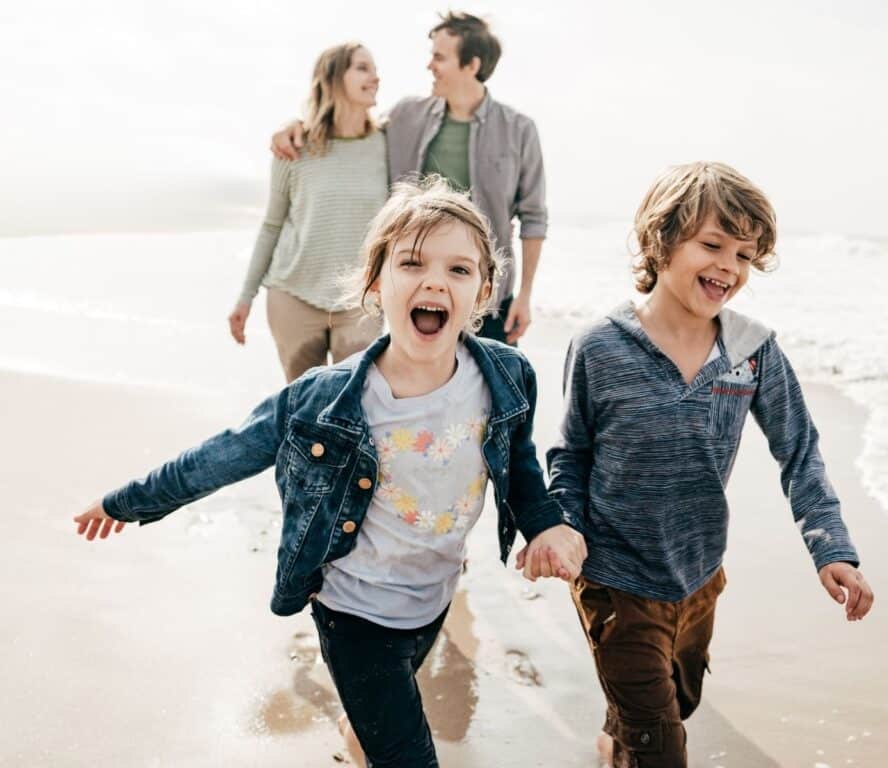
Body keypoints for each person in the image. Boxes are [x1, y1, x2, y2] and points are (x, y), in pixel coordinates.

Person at [74, 179, 586, 768]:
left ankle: (360, 728)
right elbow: (226, 453)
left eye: (460, 269)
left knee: (381, 714)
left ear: (484, 292)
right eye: (411, 262)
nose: (435, 281)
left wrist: (545, 525)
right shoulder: (325, 400)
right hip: (353, 611)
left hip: (433, 597)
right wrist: (129, 501)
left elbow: (521, 469)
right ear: (375, 284)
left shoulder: (505, 377)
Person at [537, 162, 875, 768]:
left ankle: (618, 737)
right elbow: (572, 452)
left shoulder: (750, 353)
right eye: (712, 244)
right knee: (662, 747)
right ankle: (633, 738)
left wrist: (833, 549)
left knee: (676, 704)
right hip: (615, 580)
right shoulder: (601, 346)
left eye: (744, 254)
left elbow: (798, 451)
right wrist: (562, 528)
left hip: (699, 577)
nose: (729, 266)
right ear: (660, 242)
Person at [272, 12, 547, 346]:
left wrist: (525, 295)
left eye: (439, 57)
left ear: (471, 65)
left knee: (497, 394)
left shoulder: (519, 130)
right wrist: (298, 123)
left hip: (487, 300)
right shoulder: (406, 116)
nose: (429, 65)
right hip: (414, 297)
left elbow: (533, 218)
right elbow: (350, 127)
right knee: (416, 392)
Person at [230, 42, 389, 382]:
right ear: (333, 77)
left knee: (354, 406)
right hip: (294, 296)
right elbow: (272, 225)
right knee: (303, 411)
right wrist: (246, 297)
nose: (375, 77)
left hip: (360, 301)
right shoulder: (294, 147)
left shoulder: (387, 145)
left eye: (375, 69)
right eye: (362, 68)